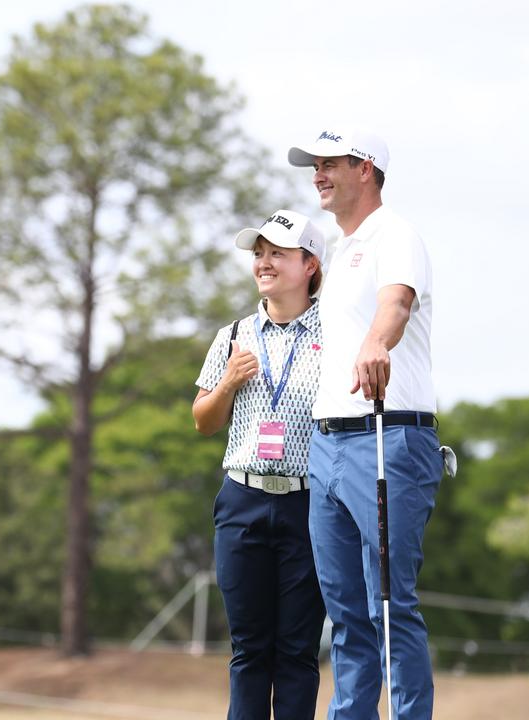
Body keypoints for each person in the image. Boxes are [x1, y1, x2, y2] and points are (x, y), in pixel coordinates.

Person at [288, 129, 443, 719]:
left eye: (329, 164)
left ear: (366, 168)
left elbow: (395, 304)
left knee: (389, 606)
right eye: (315, 166)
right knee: (345, 611)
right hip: (326, 446)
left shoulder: (395, 234)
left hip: (387, 436)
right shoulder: (337, 245)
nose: (318, 175)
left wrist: (378, 344)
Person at [193, 210, 327, 720]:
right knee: (249, 650)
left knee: (296, 651)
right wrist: (227, 383)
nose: (264, 263)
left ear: (310, 264)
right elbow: (204, 421)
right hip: (242, 500)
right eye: (258, 254)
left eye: (278, 253)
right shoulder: (232, 335)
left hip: (308, 502)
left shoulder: (335, 334)